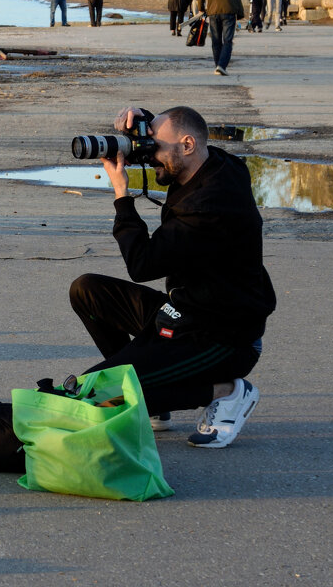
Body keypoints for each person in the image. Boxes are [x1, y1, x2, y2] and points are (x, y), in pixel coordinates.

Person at [68, 105, 275, 448]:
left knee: (98, 394)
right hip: (184, 310)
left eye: (155, 148)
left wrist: (122, 195)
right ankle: (151, 393)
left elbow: (142, 264)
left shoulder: (210, 205)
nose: (149, 156)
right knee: (87, 291)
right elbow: (179, 130)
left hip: (221, 337)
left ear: (188, 145)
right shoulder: (221, 164)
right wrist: (143, 120)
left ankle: (228, 390)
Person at [197, 0, 247, 75]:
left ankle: (218, 65)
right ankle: (221, 65)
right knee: (228, 40)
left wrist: (201, 9)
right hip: (229, 12)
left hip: (213, 13)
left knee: (216, 40)